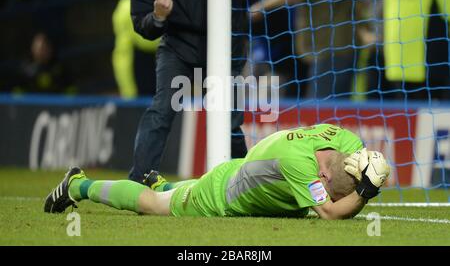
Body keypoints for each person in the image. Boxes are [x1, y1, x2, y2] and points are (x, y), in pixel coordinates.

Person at [44, 124, 390, 220]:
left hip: (246, 173)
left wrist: (369, 173)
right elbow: (330, 214)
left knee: (165, 191)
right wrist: (363, 194)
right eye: (332, 190)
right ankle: (78, 184)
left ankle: (166, 183)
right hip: (221, 195)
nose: (329, 195)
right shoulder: (300, 167)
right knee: (151, 204)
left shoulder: (344, 141)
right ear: (324, 180)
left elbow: (361, 164)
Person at [128, 0, 269, 183]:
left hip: (225, 47)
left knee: (229, 122)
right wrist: (158, 16)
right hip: (178, 49)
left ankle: (242, 184)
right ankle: (139, 181)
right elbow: (142, 24)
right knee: (162, 110)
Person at [250, 0, 360, 99]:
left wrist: (259, 8)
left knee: (322, 107)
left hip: (329, 49)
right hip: (338, 47)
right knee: (332, 104)